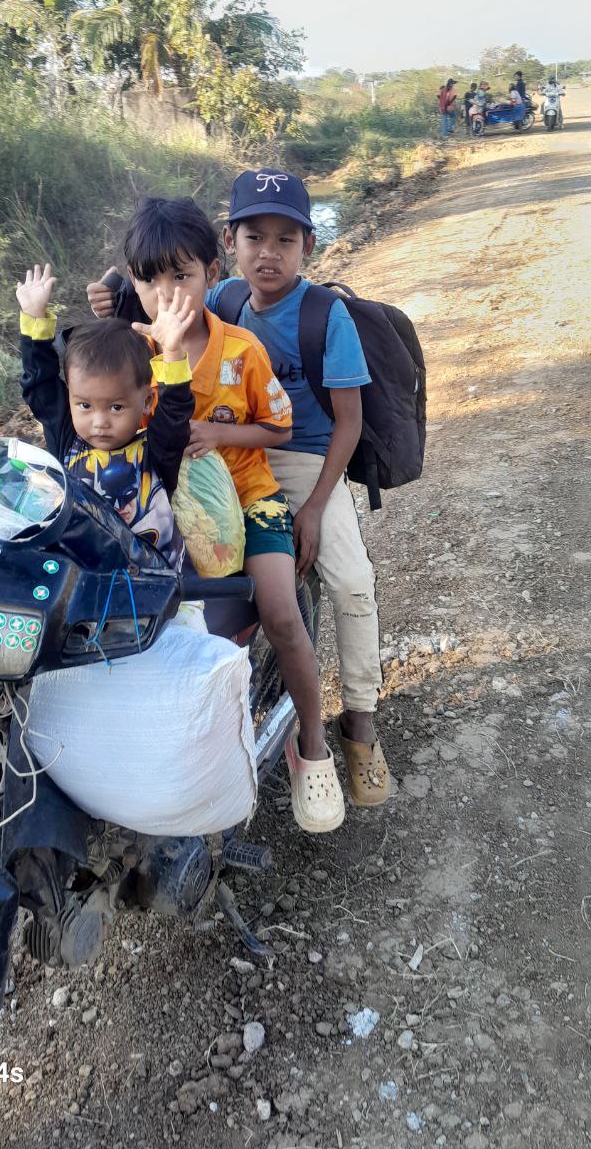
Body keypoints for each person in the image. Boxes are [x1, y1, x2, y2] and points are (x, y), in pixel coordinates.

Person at [90, 197, 347, 834]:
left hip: (248, 496)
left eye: (183, 276)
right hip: (160, 511)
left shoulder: (243, 349)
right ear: (134, 283)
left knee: (279, 610)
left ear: (211, 273)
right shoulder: (127, 355)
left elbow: (280, 427)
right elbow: (88, 417)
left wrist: (220, 433)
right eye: (151, 279)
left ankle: (313, 745)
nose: (167, 293)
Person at [213, 170, 391, 813]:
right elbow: (164, 324)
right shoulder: (225, 301)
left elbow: (349, 422)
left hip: (307, 462)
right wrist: (114, 299)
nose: (269, 252)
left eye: (285, 239)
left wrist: (315, 507)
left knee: (351, 582)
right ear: (229, 241)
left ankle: (361, 724)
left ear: (308, 247)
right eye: (254, 236)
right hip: (231, 456)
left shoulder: (324, 315)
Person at [16, 263, 195, 571]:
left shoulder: (157, 452)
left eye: (115, 407)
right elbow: (40, 384)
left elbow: (176, 412)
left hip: (157, 589)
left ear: (148, 401)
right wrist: (34, 321)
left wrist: (173, 352)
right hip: (83, 587)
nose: (99, 422)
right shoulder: (68, 438)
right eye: (84, 405)